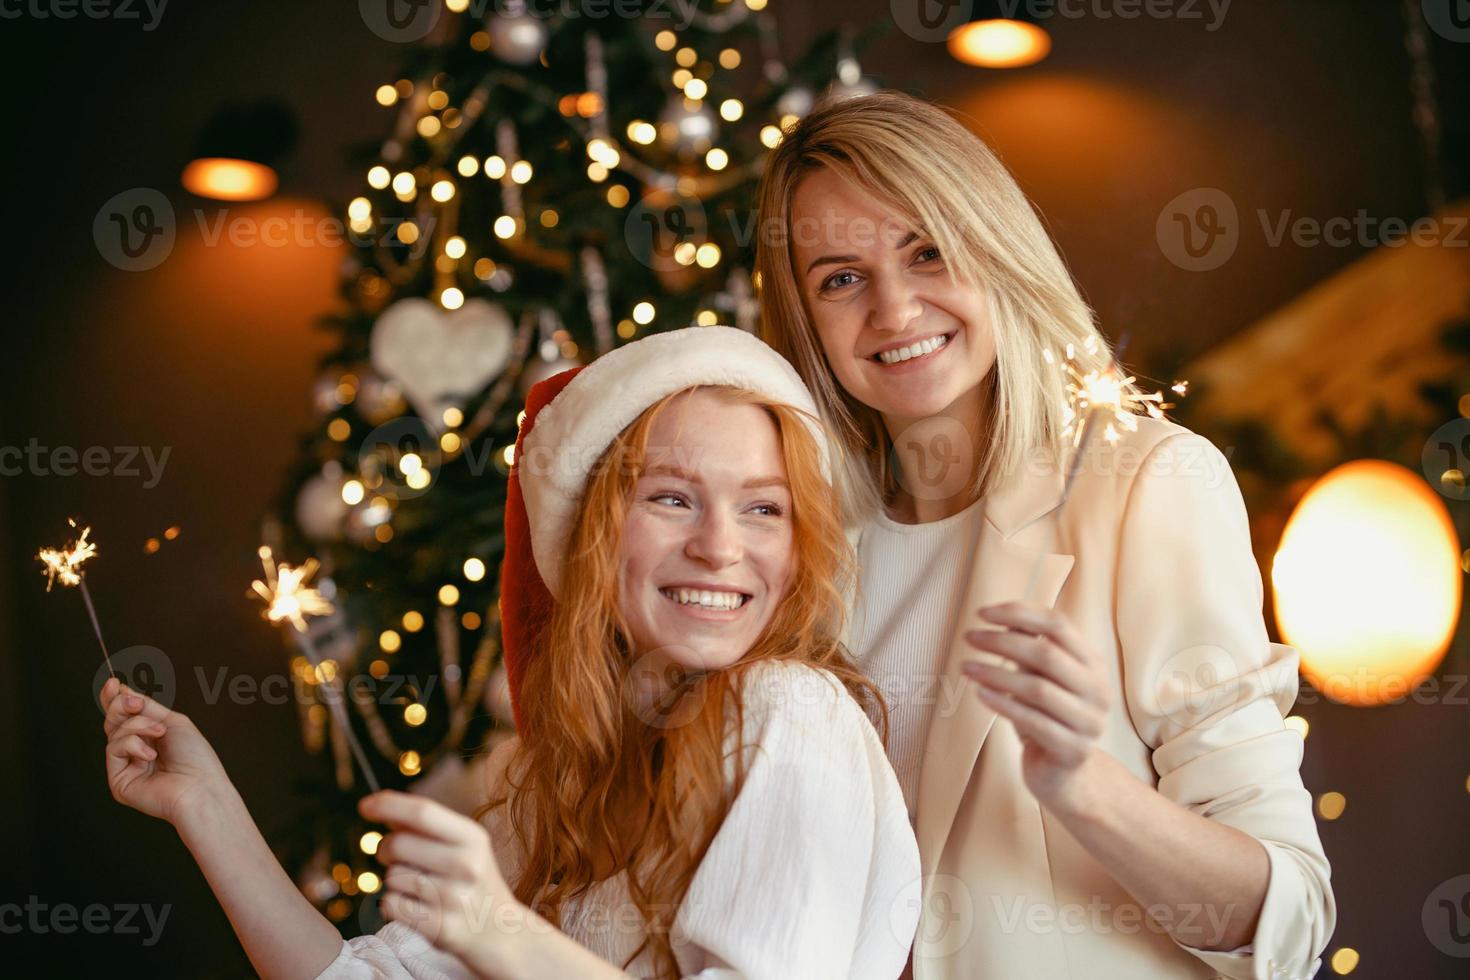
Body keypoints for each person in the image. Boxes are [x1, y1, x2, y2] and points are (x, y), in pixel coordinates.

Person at [101, 325, 920, 979]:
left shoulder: (790, 712)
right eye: (672, 497)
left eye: (764, 509)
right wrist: (205, 808)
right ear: (596, 535)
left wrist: (498, 933)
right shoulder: (563, 775)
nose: (718, 545)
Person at [752, 89, 1335, 980]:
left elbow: (1285, 917)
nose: (896, 309)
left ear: (996, 250)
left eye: (928, 251)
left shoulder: (1146, 482)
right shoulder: (802, 544)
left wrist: (1083, 787)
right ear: (805, 319)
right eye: (840, 277)